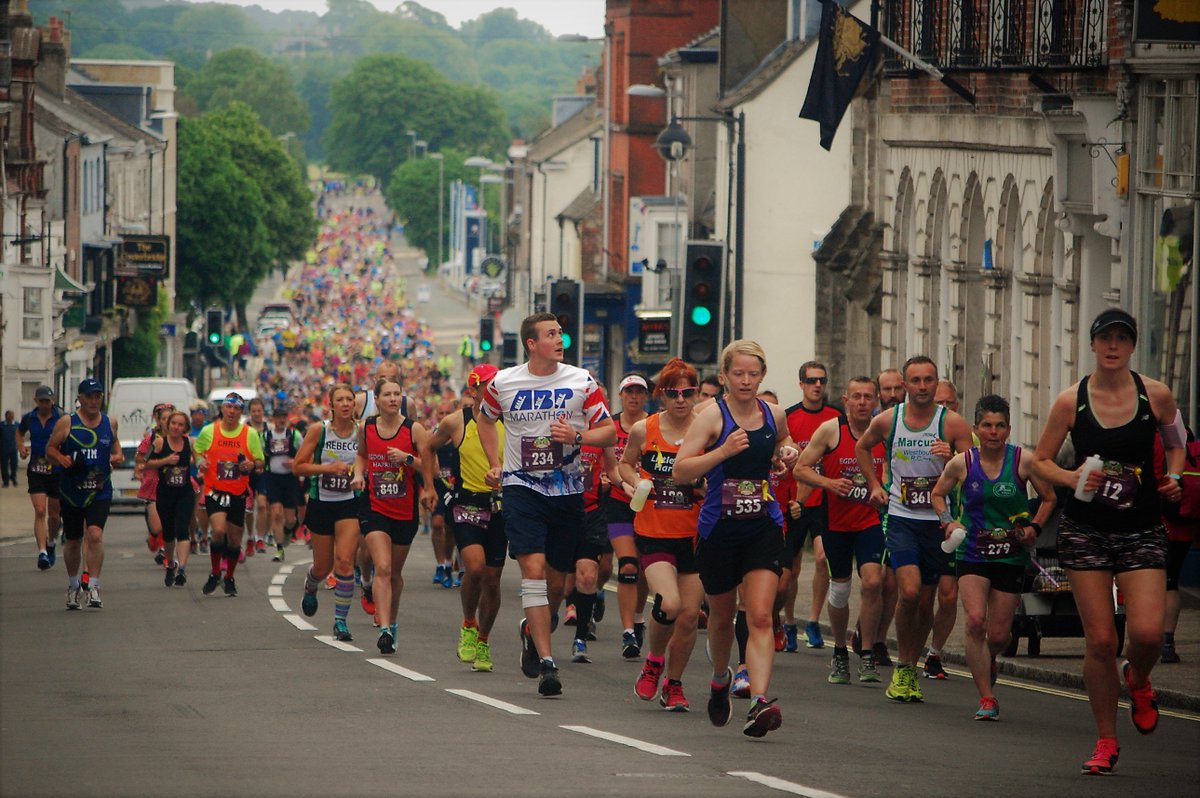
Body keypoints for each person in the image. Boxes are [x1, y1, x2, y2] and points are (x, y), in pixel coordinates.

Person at [1031, 309, 1185, 775]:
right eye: (1105, 339)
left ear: (1132, 346)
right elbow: (1040, 461)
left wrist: (1174, 476)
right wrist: (1071, 475)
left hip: (1141, 529)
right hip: (1085, 531)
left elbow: (1178, 441)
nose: (1113, 346)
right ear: (1094, 345)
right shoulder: (1069, 401)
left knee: (1145, 634)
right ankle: (1105, 740)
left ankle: (1137, 679)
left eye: (1122, 338)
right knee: (1100, 640)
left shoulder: (1154, 394)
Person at [477, 312, 616, 698]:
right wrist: (495, 463)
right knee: (534, 572)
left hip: (568, 491)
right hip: (522, 488)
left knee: (556, 584)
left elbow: (610, 432)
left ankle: (531, 629)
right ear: (531, 343)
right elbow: (484, 419)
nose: (560, 340)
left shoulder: (581, 381)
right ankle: (547, 663)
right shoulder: (503, 382)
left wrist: (578, 434)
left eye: (561, 333)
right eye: (551, 334)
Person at [673, 340, 799, 738]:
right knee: (723, 618)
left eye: (754, 374)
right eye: (739, 374)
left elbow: (782, 442)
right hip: (718, 529)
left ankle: (760, 701)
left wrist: (788, 452)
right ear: (725, 376)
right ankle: (718, 677)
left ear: (763, 376)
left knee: (760, 615)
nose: (747, 381)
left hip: (762, 524)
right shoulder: (711, 417)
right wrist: (723, 451)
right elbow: (681, 470)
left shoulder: (773, 413)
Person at [855, 356, 973, 703]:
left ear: (937, 384)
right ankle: (903, 668)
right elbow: (862, 447)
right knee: (908, 591)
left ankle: (909, 662)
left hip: (939, 521)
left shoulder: (951, 424)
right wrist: (874, 484)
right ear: (904, 385)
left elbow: (974, 471)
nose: (922, 387)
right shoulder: (889, 419)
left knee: (925, 600)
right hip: (901, 515)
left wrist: (952, 454)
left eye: (928, 380)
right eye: (916, 381)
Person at [932, 394, 1054, 719]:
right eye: (986, 425)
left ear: (1009, 429)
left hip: (1011, 556)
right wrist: (948, 522)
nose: (993, 432)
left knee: (998, 635)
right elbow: (938, 494)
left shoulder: (1023, 462)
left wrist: (1034, 528)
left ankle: (991, 657)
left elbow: (1049, 497)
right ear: (976, 428)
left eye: (1000, 426)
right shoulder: (962, 463)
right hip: (972, 552)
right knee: (974, 622)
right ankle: (986, 697)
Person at [619, 358, 704, 711]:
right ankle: (654, 660)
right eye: (673, 393)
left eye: (687, 392)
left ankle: (674, 683)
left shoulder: (707, 430)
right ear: (661, 396)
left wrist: (704, 484)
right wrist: (635, 480)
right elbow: (624, 463)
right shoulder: (645, 429)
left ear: (696, 394)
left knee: (688, 616)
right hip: (654, 531)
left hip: (695, 535)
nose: (681, 399)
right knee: (669, 603)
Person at [795, 376, 887, 685]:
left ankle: (867, 653)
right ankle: (839, 651)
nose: (862, 402)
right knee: (841, 588)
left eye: (868, 397)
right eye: (856, 397)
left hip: (870, 520)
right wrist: (829, 483)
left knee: (874, 582)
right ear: (845, 401)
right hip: (835, 522)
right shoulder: (831, 431)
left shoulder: (884, 432)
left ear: (875, 401)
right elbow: (801, 469)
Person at [420, 364, 506, 671]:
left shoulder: (514, 419)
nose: (495, 388)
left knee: (494, 581)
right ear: (474, 390)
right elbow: (428, 448)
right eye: (488, 384)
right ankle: (469, 622)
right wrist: (430, 487)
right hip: (466, 503)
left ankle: (483, 641)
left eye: (499, 383)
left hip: (501, 506)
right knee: (476, 568)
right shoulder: (457, 421)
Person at [45, 379, 123, 609]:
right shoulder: (67, 422)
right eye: (89, 396)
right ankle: (73, 585)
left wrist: (117, 457)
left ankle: (94, 586)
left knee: (95, 534)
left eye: (97, 396)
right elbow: (49, 449)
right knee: (73, 541)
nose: (93, 401)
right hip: (72, 491)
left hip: (99, 490)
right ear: (79, 398)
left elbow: (116, 448)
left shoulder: (110, 422)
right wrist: (61, 459)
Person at [294, 384, 362, 641]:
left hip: (349, 502)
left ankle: (340, 622)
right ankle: (311, 584)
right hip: (321, 502)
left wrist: (358, 474)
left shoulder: (362, 432)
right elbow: (298, 467)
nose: (345, 404)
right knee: (324, 567)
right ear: (331, 405)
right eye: (340, 400)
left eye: (349, 399)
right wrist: (327, 469)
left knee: (345, 561)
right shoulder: (319, 430)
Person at [783, 361, 841, 650]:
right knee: (791, 570)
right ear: (801, 384)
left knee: (822, 559)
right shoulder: (789, 417)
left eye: (822, 380)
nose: (817, 385)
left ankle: (815, 620)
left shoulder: (835, 418)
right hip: (795, 502)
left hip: (826, 501)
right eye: (811, 380)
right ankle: (791, 622)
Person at [193, 393, 265, 598]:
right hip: (214, 491)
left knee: (234, 540)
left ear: (241, 412)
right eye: (228, 407)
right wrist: (200, 462)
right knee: (218, 530)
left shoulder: (249, 434)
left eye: (237, 409)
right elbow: (197, 450)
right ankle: (215, 572)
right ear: (222, 409)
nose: (232, 412)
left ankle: (229, 577)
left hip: (238, 492)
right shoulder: (209, 431)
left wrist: (251, 465)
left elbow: (260, 461)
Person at [923, 378, 967, 680]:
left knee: (949, 596)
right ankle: (913, 645)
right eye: (937, 403)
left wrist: (950, 459)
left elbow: (979, 476)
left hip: (957, 526)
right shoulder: (916, 433)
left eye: (948, 403)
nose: (943, 408)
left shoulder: (965, 438)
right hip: (920, 523)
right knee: (919, 595)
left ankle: (935, 653)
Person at [604, 373, 651, 659]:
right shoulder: (609, 427)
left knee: (646, 567)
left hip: (651, 505)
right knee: (629, 565)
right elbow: (604, 461)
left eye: (639, 392)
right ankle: (627, 632)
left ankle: (637, 615)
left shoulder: (653, 426)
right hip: (619, 502)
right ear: (620, 395)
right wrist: (618, 482)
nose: (634, 396)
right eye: (629, 391)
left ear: (646, 396)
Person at [144, 410, 198, 587]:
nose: (176, 427)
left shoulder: (190, 443)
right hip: (165, 493)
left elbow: (200, 461)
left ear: (185, 428)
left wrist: (202, 465)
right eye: (174, 423)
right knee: (168, 532)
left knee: (182, 529)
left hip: (184, 492)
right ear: (168, 425)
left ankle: (182, 569)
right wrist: (165, 460)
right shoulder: (159, 442)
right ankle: (170, 565)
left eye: (180, 424)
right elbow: (146, 462)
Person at [18, 386, 63, 570]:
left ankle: (51, 541)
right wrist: (21, 447)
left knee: (54, 514)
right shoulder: (29, 418)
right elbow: (19, 433)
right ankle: (42, 552)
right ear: (36, 401)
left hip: (56, 471)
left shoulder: (61, 418)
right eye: (42, 401)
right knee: (39, 511)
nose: (45, 404)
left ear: (52, 401)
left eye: (48, 401)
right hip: (36, 468)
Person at [263, 403, 303, 562]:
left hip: (290, 479)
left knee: (291, 519)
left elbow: (305, 454)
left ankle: (287, 532)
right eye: (278, 417)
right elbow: (260, 455)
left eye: (283, 418)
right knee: (276, 513)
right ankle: (279, 549)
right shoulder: (266, 436)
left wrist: (295, 462)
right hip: (273, 478)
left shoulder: (294, 435)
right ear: (273, 419)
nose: (281, 420)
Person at [135, 404, 174, 565]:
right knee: (158, 526)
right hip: (154, 484)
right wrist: (142, 468)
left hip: (174, 484)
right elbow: (140, 458)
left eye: (170, 418)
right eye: (164, 419)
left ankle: (166, 553)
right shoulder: (152, 439)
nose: (167, 422)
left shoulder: (180, 438)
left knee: (171, 523)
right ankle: (155, 537)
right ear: (158, 421)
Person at [244, 397, 270, 558]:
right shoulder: (244, 429)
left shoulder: (269, 429)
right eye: (254, 411)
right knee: (247, 508)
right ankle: (250, 536)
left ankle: (260, 537)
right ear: (250, 412)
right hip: (248, 472)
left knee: (261, 504)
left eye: (259, 411)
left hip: (264, 472)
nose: (256, 414)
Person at [1, 409, 18, 487]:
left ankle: (13, 477)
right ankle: (6, 481)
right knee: (4, 465)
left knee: (14, 465)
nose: (11, 417)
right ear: (6, 416)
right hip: (3, 449)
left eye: (12, 415)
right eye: (10, 415)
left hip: (13, 448)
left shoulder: (17, 425)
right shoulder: (1, 425)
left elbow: (20, 436)